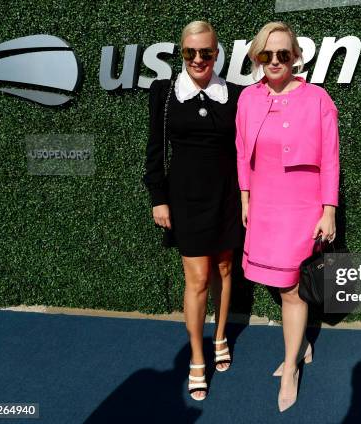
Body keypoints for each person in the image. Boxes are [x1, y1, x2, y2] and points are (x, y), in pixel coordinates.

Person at [235, 21, 340, 412]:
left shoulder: (318, 98)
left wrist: (328, 211)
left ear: (295, 56)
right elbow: (241, 149)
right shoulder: (248, 99)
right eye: (267, 54)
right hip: (264, 205)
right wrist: (245, 198)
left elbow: (330, 159)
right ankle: (303, 344)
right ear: (257, 58)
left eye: (283, 53)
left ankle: (292, 366)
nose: (275, 60)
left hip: (302, 207)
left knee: (293, 289)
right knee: (281, 285)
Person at [143, 20, 242, 401]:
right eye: (191, 52)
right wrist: (158, 197)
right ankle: (196, 358)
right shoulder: (164, 93)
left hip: (227, 196)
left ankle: (220, 337)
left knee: (224, 267)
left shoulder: (235, 94)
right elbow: (155, 150)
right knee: (198, 278)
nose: (199, 59)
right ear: (182, 53)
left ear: (217, 54)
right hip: (184, 198)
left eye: (206, 52)